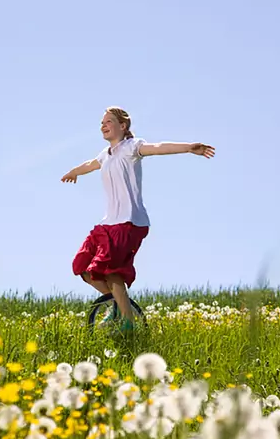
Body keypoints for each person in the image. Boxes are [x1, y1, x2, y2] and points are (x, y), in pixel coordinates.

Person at [61, 106, 214, 333]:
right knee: (83, 266)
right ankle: (117, 306)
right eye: (102, 122)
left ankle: (128, 324)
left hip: (129, 222)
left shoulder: (131, 147)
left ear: (123, 126)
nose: (103, 125)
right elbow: (90, 164)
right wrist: (74, 171)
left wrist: (189, 147)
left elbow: (159, 147)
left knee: (112, 271)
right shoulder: (106, 155)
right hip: (108, 223)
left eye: (109, 122)